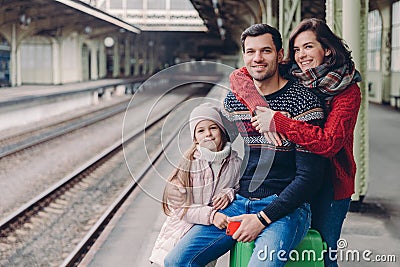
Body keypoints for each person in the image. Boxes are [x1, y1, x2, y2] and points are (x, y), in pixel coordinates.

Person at [164, 24, 327, 267]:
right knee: (177, 261)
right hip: (240, 201)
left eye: (266, 51)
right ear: (244, 56)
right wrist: (180, 177)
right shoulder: (235, 100)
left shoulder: (303, 101)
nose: (257, 58)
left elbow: (310, 177)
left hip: (287, 208)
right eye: (250, 52)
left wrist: (261, 219)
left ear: (280, 55)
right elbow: (213, 143)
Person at [230, 18, 362, 267]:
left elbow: (329, 143)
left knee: (321, 252)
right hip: (295, 177)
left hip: (330, 185)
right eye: (297, 49)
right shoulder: (294, 72)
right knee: (290, 249)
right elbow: (239, 76)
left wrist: (279, 122)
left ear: (328, 49)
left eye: (309, 47)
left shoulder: (347, 90)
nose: (301, 55)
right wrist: (260, 108)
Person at [149, 103, 242, 266]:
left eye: (213, 128)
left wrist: (229, 193)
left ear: (222, 131)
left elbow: (239, 189)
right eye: (201, 130)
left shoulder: (236, 164)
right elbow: (181, 209)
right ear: (195, 138)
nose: (208, 134)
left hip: (207, 236)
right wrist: (212, 216)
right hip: (180, 235)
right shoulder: (189, 165)